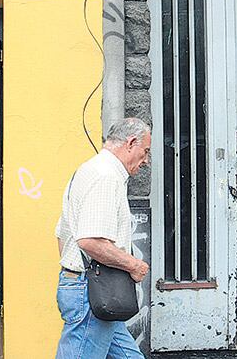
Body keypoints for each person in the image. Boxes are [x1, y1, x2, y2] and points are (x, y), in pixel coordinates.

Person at [54, 117, 151, 358]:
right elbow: (90, 241)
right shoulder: (106, 177)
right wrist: (134, 265)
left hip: (96, 288)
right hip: (93, 291)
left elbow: (62, 233)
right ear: (130, 143)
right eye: (145, 151)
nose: (146, 160)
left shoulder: (88, 170)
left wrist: (75, 273)